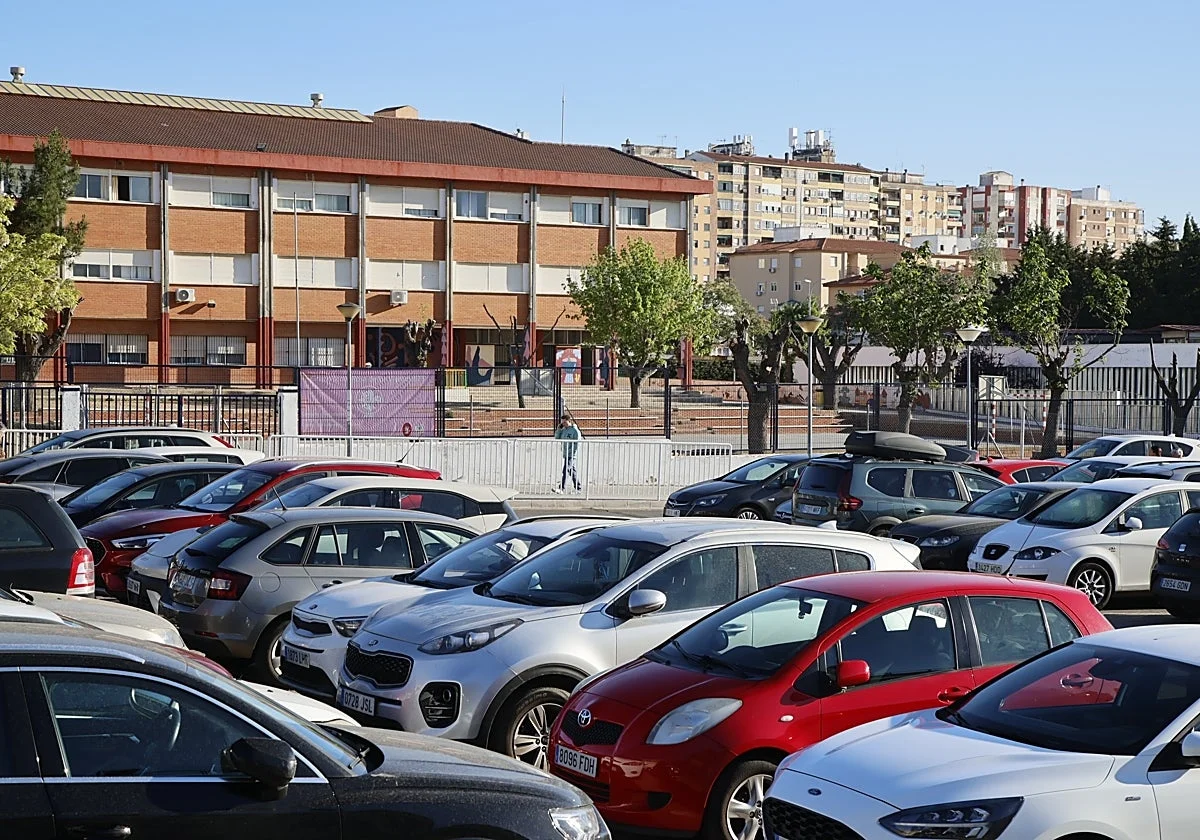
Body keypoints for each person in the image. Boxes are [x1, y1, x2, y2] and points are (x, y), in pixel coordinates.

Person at [554, 415, 582, 493]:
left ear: (569, 421)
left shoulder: (574, 430)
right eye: (562, 422)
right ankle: (578, 487)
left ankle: (562, 488)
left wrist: (573, 452)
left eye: (564, 422)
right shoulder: (564, 430)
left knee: (565, 470)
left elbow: (577, 443)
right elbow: (557, 437)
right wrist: (559, 429)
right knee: (571, 471)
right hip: (566, 453)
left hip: (571, 454)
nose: (563, 424)